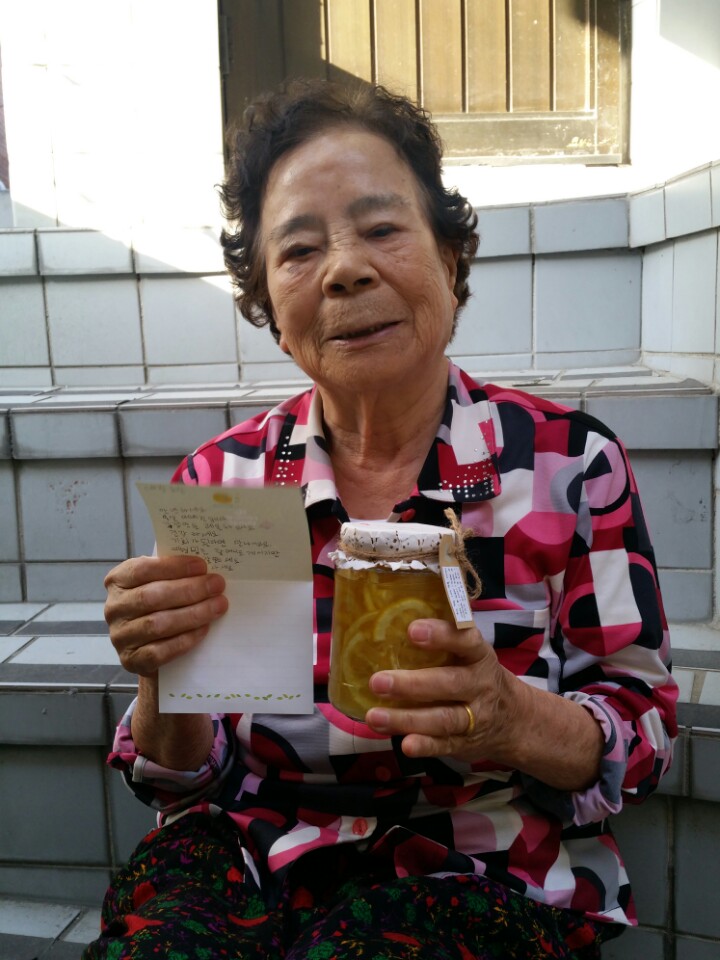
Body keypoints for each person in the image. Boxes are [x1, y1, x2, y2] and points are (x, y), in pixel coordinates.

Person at [86, 79, 678, 960]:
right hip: (248, 859)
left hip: (482, 867)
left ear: (450, 257)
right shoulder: (226, 483)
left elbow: (644, 734)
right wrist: (162, 675)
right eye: (298, 249)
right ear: (270, 307)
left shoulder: (567, 465)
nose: (345, 269)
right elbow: (181, 778)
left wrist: (512, 717)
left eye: (382, 228)